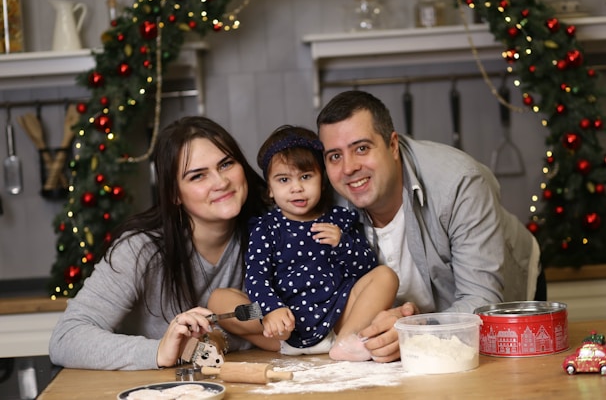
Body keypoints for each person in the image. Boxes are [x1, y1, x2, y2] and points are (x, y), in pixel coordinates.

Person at [316, 90, 545, 363]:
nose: (349, 168)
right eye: (334, 156)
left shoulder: (459, 182)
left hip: (499, 297)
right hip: (408, 325)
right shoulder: (329, 202)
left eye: (362, 148)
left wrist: (412, 332)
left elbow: (482, 301)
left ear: (392, 145)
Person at [49, 116, 279, 370]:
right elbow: (66, 339)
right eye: (197, 176)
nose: (220, 182)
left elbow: (292, 312)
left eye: (226, 164)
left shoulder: (275, 233)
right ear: (174, 194)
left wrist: (227, 334)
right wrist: (159, 350)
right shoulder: (139, 249)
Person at [245, 125, 398, 361]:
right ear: (270, 190)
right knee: (220, 299)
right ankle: (286, 337)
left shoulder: (338, 219)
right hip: (281, 332)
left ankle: (347, 342)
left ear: (322, 180)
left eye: (306, 177)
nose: (296, 187)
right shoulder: (266, 228)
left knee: (386, 276)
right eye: (284, 179)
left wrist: (342, 244)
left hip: (336, 321)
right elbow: (256, 278)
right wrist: (271, 310)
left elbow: (367, 268)